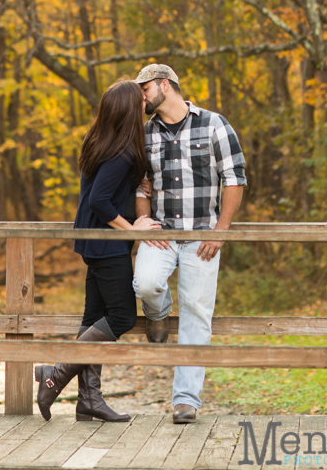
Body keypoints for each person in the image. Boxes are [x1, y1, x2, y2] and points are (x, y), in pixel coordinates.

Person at [35, 78, 161, 422]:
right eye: (140, 101)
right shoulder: (123, 151)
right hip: (106, 245)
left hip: (93, 242)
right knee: (122, 316)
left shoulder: (104, 143)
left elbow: (106, 191)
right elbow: (100, 201)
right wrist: (131, 229)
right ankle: (55, 374)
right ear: (128, 109)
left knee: (93, 319)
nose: (144, 105)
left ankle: (88, 400)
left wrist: (137, 183)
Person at [132, 64, 246, 425]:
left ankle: (186, 400)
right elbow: (141, 185)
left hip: (202, 237)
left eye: (145, 88)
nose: (142, 96)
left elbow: (234, 179)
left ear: (166, 85)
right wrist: (143, 220)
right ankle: (158, 313)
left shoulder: (214, 124)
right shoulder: (145, 133)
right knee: (145, 284)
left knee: (197, 313)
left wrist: (220, 231)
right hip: (161, 234)